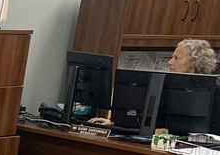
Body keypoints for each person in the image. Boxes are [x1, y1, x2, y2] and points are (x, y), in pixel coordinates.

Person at [88, 39, 217, 125]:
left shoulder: (214, 93)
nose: (170, 62)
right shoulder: (166, 86)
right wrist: (116, 122)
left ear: (195, 63)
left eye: (176, 58)